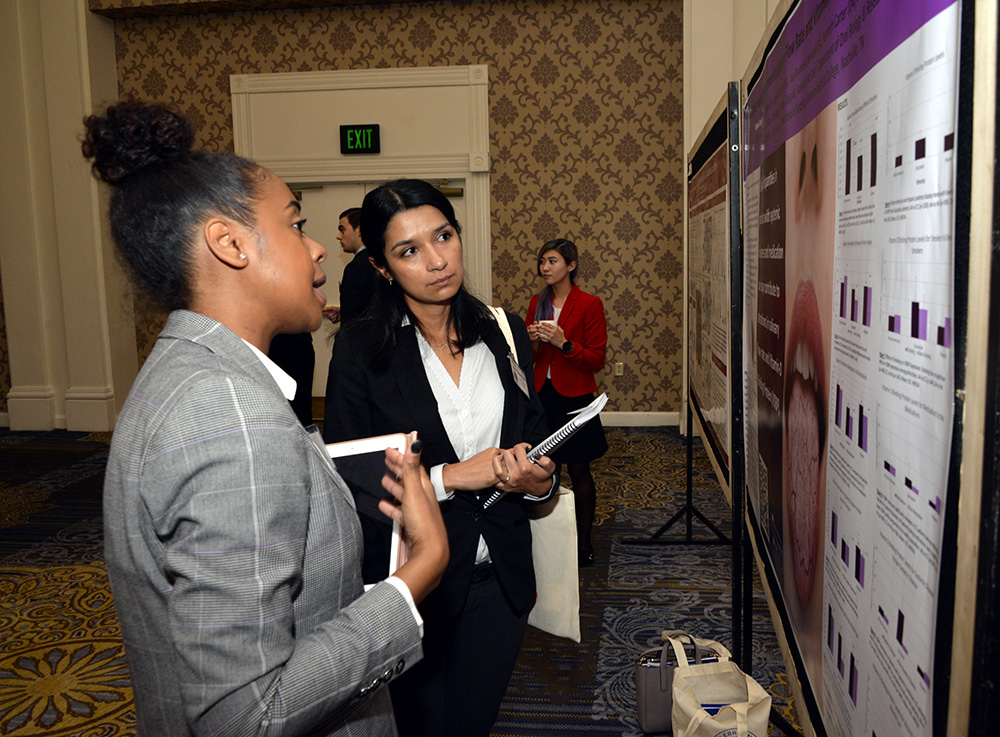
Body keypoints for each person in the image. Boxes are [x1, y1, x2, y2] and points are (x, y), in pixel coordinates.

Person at [83, 101, 448, 737]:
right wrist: (420, 570)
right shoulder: (230, 416)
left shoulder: (184, 373)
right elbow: (248, 716)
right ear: (228, 243)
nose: (317, 251)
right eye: (296, 224)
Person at [323, 179, 558, 737]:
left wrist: (538, 480)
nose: (436, 261)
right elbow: (347, 488)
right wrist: (450, 477)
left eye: (444, 237)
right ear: (382, 267)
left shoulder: (504, 333)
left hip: (500, 578)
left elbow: (537, 440)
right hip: (414, 589)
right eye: (408, 251)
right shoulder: (361, 352)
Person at [526, 238, 608, 567]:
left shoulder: (589, 304)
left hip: (574, 396)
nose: (545, 267)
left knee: (579, 470)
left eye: (552, 261)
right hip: (542, 396)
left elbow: (596, 359)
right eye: (542, 261)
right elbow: (530, 357)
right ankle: (549, 541)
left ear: (571, 266)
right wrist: (530, 341)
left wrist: (564, 343)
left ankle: (584, 542)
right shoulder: (537, 302)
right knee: (545, 470)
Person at [323, 207, 377, 325]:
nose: (338, 236)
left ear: (359, 231)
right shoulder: (381, 260)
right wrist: (344, 312)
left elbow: (356, 320)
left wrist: (348, 316)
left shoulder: (356, 268)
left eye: (342, 230)